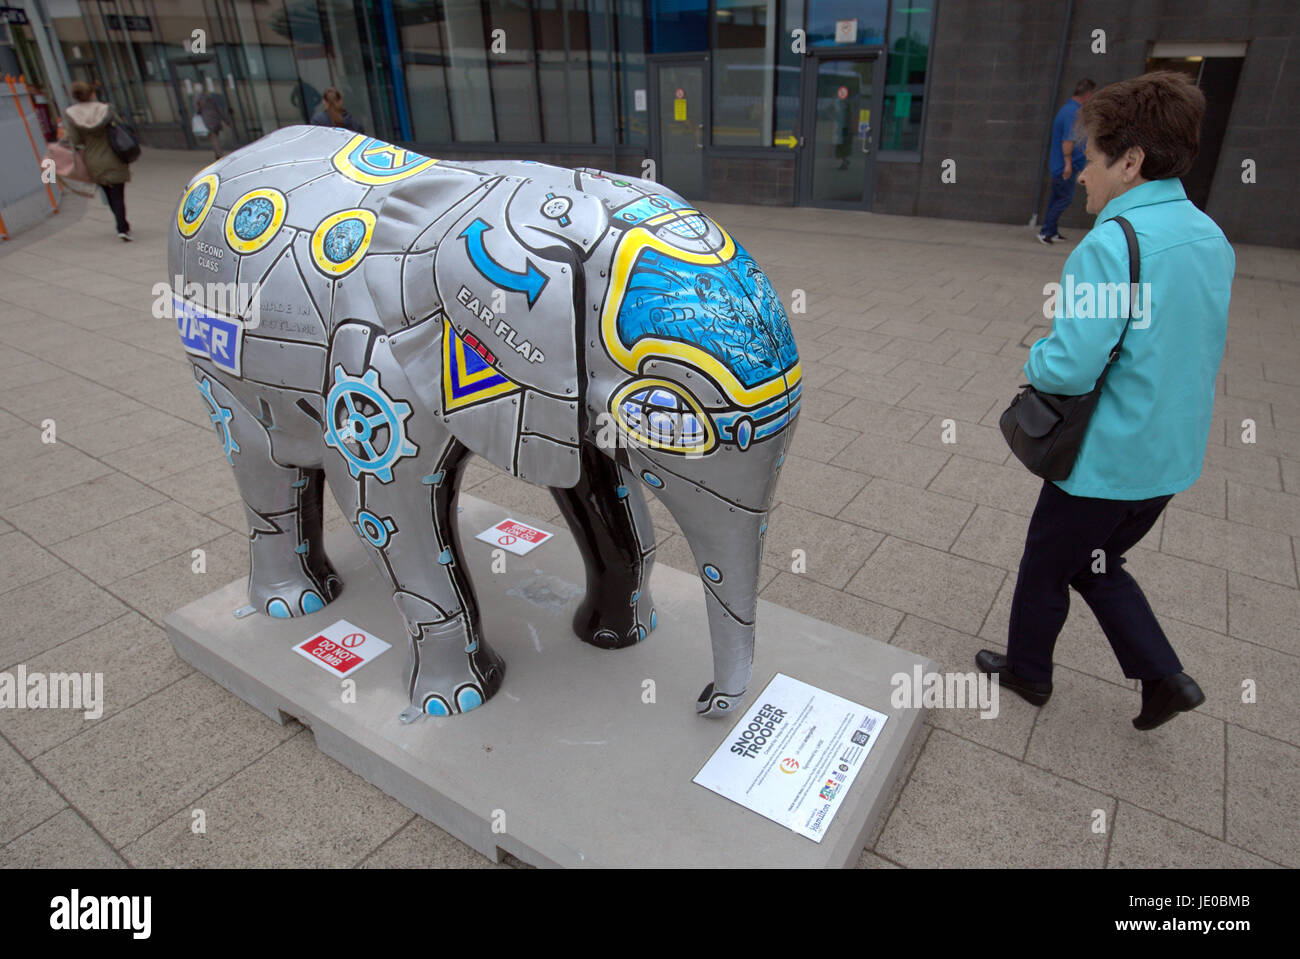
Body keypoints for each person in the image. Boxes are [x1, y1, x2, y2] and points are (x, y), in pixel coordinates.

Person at [979, 71, 1235, 731]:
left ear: (1130, 161)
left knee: (1046, 563)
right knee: (1095, 562)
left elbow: (1069, 366)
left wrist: (1034, 354)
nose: (1083, 175)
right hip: (1169, 454)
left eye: (1092, 160)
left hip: (1106, 457)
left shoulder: (1110, 247)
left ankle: (1031, 674)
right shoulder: (1210, 238)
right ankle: (1161, 678)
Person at [64, 80, 132, 241]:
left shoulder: (72, 115)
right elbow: (120, 126)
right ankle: (122, 226)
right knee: (118, 193)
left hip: (92, 158)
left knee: (108, 193)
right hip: (114, 154)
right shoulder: (105, 110)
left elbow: (75, 139)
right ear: (92, 93)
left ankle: (121, 223)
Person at [1038, 78, 1096, 244]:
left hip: (1061, 165)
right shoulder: (1073, 113)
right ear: (1088, 94)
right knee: (1064, 198)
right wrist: (1068, 163)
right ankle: (1047, 231)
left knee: (1056, 198)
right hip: (1065, 167)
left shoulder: (1068, 109)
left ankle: (1050, 231)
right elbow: (1068, 140)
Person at [195, 87, 232, 158]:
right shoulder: (211, 99)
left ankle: (218, 153)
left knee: (213, 137)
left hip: (207, 120)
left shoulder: (198, 101)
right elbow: (219, 110)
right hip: (216, 118)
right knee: (216, 136)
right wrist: (226, 120)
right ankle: (218, 153)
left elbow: (197, 112)